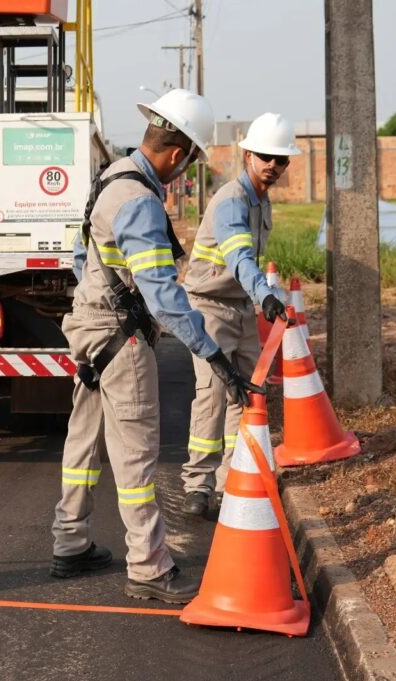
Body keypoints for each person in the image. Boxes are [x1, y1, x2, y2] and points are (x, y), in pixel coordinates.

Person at [51, 89, 262, 604]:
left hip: (87, 328)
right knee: (136, 456)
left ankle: (71, 540)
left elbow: (82, 257)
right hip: (118, 339)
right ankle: (148, 566)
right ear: (178, 153)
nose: (184, 172)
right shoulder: (142, 201)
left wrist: (100, 305)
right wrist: (212, 354)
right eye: (188, 162)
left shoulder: (108, 180)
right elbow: (165, 298)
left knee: (84, 441)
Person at [179, 112, 301, 517]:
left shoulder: (261, 200)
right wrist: (265, 295)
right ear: (247, 154)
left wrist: (259, 300)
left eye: (280, 159)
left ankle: (234, 477)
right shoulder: (233, 200)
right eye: (265, 155)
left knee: (248, 393)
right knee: (213, 394)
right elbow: (239, 256)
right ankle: (198, 485)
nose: (272, 164)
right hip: (210, 306)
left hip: (239, 307)